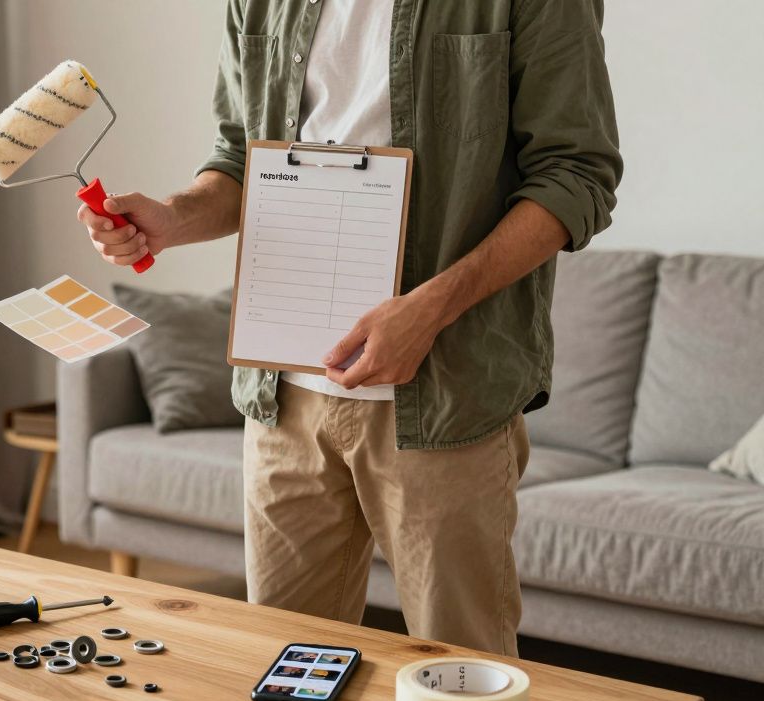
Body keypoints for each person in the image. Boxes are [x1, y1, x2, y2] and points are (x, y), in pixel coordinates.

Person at [76, 0, 620, 656]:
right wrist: (175, 215)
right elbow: (239, 158)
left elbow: (576, 175)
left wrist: (429, 309)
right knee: (285, 677)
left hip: (446, 396)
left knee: (462, 685)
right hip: (283, 396)